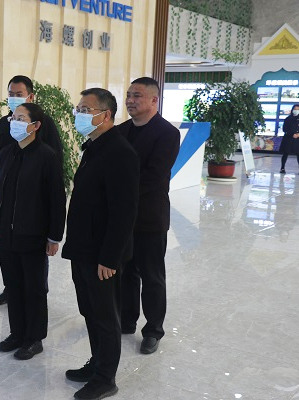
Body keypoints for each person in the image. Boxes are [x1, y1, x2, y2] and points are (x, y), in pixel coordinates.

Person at [62, 88, 139, 400]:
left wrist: (109, 257)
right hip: (83, 247)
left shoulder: (120, 152)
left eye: (86, 110)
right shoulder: (94, 146)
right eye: (78, 109)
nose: (79, 114)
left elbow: (124, 212)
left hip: (102, 255)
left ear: (106, 115)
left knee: (105, 316)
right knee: (90, 310)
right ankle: (96, 364)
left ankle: (106, 378)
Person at [0, 102, 66, 360]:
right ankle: (17, 333)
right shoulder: (6, 153)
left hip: (33, 234)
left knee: (34, 288)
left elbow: (56, 199)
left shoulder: (46, 156)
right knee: (13, 285)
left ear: (35, 125)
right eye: (14, 118)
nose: (15, 122)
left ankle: (34, 338)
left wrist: (54, 236)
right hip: (6, 234)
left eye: (21, 118)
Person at [0, 75, 63, 307]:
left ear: (30, 96)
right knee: (9, 258)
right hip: (6, 197)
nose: (13, 98)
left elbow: (54, 163)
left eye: (19, 94)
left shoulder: (44, 124)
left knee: (33, 268)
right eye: (11, 94)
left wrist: (54, 233)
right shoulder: (3, 124)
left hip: (32, 201)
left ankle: (37, 290)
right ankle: (11, 289)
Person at [118, 77, 180, 354]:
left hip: (150, 217)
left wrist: (119, 192)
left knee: (152, 276)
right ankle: (126, 320)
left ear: (154, 100)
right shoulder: (121, 131)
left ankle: (153, 329)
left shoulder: (167, 133)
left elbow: (154, 176)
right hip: (123, 217)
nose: (130, 100)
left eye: (137, 96)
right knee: (125, 272)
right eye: (129, 95)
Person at [279, 104, 299, 173]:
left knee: (298, 154)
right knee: (286, 153)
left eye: (298, 109)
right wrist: (292, 134)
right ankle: (282, 168)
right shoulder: (288, 119)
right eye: (295, 109)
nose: (296, 111)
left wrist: (298, 134)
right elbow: (284, 129)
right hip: (288, 138)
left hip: (298, 139)